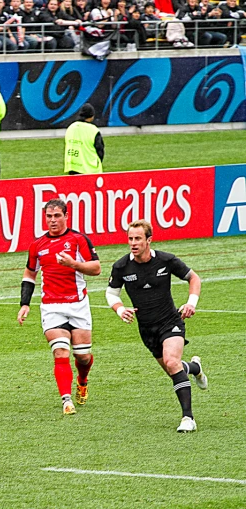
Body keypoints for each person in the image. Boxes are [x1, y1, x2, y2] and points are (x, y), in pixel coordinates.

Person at [106, 220, 207, 432]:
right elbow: (111, 293)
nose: (133, 243)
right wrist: (119, 309)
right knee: (175, 369)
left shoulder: (166, 260)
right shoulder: (121, 266)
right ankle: (195, 368)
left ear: (148, 240)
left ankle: (188, 418)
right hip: (146, 330)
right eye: (130, 239)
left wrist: (191, 303)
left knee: (172, 362)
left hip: (170, 322)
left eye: (138, 239)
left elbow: (194, 278)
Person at [16, 199, 101, 415]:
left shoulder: (78, 240)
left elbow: (96, 268)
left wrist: (73, 264)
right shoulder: (37, 245)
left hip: (78, 305)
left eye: (57, 216)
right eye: (48, 216)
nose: (52, 220)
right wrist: (25, 303)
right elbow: (29, 273)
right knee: (60, 351)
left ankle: (82, 381)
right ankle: (66, 400)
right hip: (51, 307)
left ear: (66, 216)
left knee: (82, 356)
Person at [64, 103, 104, 175]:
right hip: (90, 170)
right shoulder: (93, 130)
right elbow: (100, 150)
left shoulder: (71, 127)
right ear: (91, 116)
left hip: (73, 167)